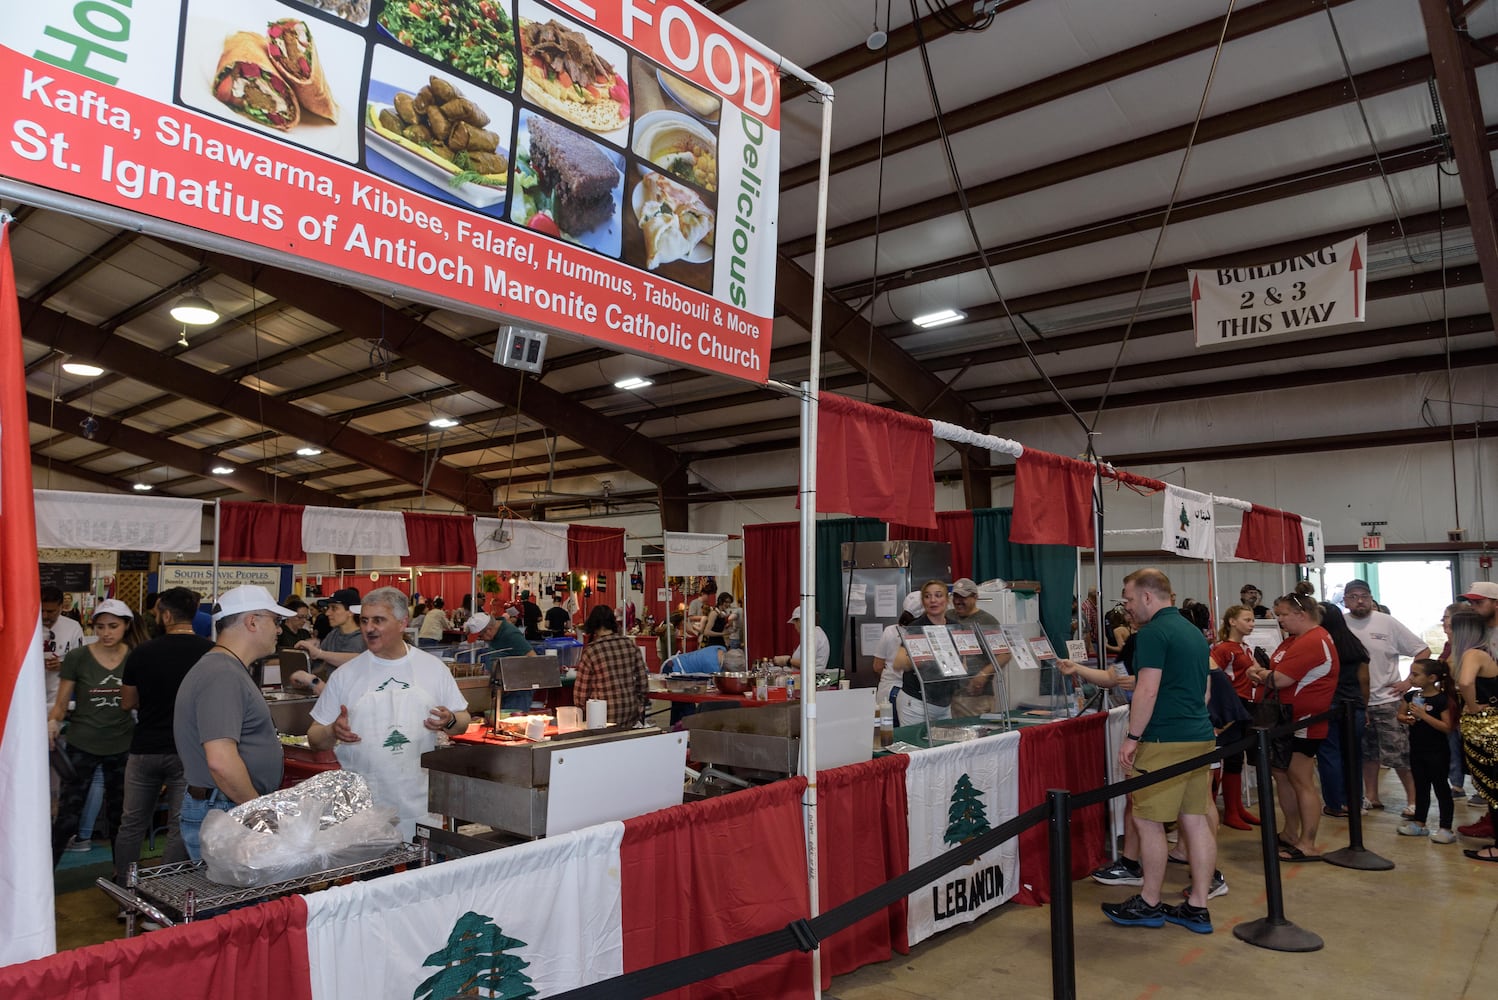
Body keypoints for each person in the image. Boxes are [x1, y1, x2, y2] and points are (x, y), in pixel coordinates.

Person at [1098, 569, 1217, 934]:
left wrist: (1132, 737)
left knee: (1148, 822)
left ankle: (1149, 901)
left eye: (1129, 599)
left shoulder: (1152, 633)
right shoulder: (1193, 632)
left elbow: (1146, 691)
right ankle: (1198, 904)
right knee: (1194, 820)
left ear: (1148, 597)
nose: (1127, 609)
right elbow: (1205, 691)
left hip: (1164, 740)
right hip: (1199, 735)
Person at [307, 588, 469, 841]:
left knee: (422, 876)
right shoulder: (345, 676)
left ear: (403, 623)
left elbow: (463, 721)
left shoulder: (432, 668)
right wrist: (332, 731)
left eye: (378, 620)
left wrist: (449, 720)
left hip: (419, 805)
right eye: (364, 620)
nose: (369, 628)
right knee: (372, 879)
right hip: (364, 810)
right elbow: (315, 738)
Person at [173, 586, 290, 859]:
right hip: (227, 809)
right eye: (275, 621)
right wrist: (256, 812)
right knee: (230, 902)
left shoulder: (225, 668)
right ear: (252, 621)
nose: (279, 630)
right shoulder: (221, 673)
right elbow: (221, 761)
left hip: (226, 806)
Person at [112, 587, 213, 884]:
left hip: (144, 749)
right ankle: (164, 891)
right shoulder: (209, 653)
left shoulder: (142, 652)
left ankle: (125, 893)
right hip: (188, 752)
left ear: (166, 615)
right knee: (180, 825)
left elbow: (126, 702)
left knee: (131, 823)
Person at [48, 599, 146, 868]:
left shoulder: (136, 656)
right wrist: (53, 722)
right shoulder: (79, 658)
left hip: (122, 745)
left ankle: (125, 880)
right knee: (67, 816)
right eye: (100, 626)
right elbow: (60, 703)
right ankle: (44, 879)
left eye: (113, 626)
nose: (106, 633)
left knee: (121, 818)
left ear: (126, 626)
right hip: (82, 743)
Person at [1247, 592, 1338, 862]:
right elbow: (1274, 670)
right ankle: (1290, 832)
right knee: (1283, 776)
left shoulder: (1313, 640)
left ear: (1302, 614)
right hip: (1285, 719)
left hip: (1304, 721)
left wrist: (1262, 675)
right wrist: (1265, 675)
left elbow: (1282, 678)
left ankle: (1307, 843)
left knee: (1301, 779)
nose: (1280, 619)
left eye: (1284, 614)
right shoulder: (1296, 640)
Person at [1342, 579, 1430, 815]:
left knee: (1400, 754)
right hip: (1357, 702)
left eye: (1364, 595)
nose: (1359, 600)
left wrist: (1408, 682)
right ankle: (1371, 796)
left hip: (1388, 700)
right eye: (1353, 596)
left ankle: (1414, 801)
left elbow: (1422, 650)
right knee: (1366, 753)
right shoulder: (1340, 623)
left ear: (1371, 598)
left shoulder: (1387, 622)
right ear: (1345, 600)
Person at [1315, 601, 1369, 819]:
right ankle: (1354, 801)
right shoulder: (1354, 643)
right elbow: (1364, 679)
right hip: (1354, 705)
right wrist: (1363, 706)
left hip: (1328, 705)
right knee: (1353, 755)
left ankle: (1335, 804)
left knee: (1329, 754)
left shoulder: (1320, 644)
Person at [1451, 609, 1498, 858]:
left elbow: (1466, 683)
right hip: (1485, 728)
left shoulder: (1473, 654)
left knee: (1494, 787)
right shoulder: (1484, 653)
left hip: (1487, 729)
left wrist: (1472, 705)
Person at [1396, 657, 1458, 843]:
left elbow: (1447, 727)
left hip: (1437, 752)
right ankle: (1419, 823)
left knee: (1441, 788)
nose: (1411, 678)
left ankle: (1446, 828)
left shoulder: (1442, 700)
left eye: (1415, 674)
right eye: (1410, 674)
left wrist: (1424, 715)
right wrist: (1406, 719)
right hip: (1417, 750)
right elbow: (1400, 713)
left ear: (1432, 678)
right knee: (1421, 787)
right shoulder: (1412, 696)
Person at [1210, 604, 1260, 829]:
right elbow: (1212, 678)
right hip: (1230, 707)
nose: (1251, 624)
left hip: (1245, 707)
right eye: (1247, 620)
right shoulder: (1223, 650)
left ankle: (1235, 807)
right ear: (1232, 621)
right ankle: (1224, 810)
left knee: (1236, 758)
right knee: (1222, 757)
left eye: (1252, 620)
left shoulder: (1246, 648)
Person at [890, 581, 956, 726]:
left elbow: (961, 663)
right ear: (923, 601)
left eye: (938, 595)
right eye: (927, 596)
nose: (933, 600)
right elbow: (898, 663)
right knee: (917, 747)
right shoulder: (916, 627)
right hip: (916, 702)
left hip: (944, 704)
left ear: (947, 599)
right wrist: (927, 656)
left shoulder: (954, 626)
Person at [573, 605, 649, 727]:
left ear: (593, 624)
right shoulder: (630, 645)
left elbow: (581, 694)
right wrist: (639, 704)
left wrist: (586, 712)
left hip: (602, 716)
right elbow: (643, 682)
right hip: (630, 712)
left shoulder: (591, 651)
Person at [948, 578, 1007, 717]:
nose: (958, 601)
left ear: (975, 597)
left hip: (975, 697)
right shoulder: (948, 616)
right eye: (955, 596)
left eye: (963, 597)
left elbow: (1004, 654)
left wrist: (983, 674)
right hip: (949, 696)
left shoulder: (987, 621)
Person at [295, 587, 366, 676]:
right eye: (328, 608)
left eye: (334, 608)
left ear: (350, 611)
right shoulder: (333, 635)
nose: (327, 613)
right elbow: (326, 665)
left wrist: (319, 653)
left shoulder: (366, 638)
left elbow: (359, 661)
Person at [40, 584, 86, 715]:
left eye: (50, 611)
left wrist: (62, 665)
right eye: (41, 610)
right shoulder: (28, 626)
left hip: (60, 691)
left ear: (61, 607)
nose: (44, 616)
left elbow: (82, 661)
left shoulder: (72, 627)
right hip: (31, 689)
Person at [483, 607, 539, 713]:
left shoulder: (510, 634)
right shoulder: (496, 634)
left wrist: (511, 677)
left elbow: (532, 658)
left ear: (489, 630)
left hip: (517, 691)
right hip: (506, 689)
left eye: (482, 636)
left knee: (514, 723)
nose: (483, 639)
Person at [874, 592, 923, 709]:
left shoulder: (890, 631)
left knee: (888, 726)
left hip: (888, 690)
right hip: (909, 693)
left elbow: (877, 666)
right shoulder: (921, 632)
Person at [774, 606, 831, 672]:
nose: (795, 627)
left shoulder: (813, 635)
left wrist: (787, 660)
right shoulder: (813, 634)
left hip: (811, 679)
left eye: (795, 622)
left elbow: (808, 662)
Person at [1460, 580, 1498, 649]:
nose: (1472, 607)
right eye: (1471, 603)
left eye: (1478, 602)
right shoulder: (1474, 633)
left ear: (1496, 604)